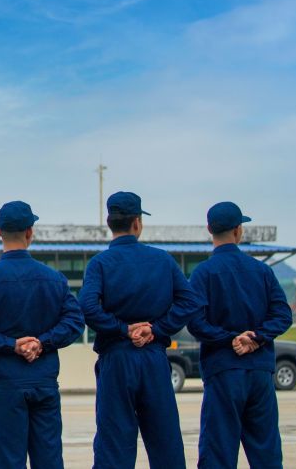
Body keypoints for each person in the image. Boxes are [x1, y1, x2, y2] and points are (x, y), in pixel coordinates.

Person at [78, 191, 203, 469]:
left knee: (114, 444)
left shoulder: (100, 264)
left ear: (110, 223)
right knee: (165, 441)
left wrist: (122, 329)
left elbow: (87, 307)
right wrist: (156, 330)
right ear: (137, 223)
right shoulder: (162, 260)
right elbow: (191, 301)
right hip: (153, 358)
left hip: (117, 359)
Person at [0, 201, 84, 469]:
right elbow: (75, 321)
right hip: (44, 382)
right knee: (49, 459)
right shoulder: (54, 279)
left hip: (4, 384)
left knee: (6, 461)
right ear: (30, 232)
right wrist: (42, 342)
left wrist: (10, 345)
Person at [188, 202, 292, 469]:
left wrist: (229, 339)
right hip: (259, 373)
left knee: (218, 453)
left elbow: (195, 322)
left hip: (223, 372)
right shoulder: (262, 271)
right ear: (238, 230)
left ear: (210, 229)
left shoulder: (203, 273)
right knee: (266, 452)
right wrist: (256, 337)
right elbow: (283, 315)